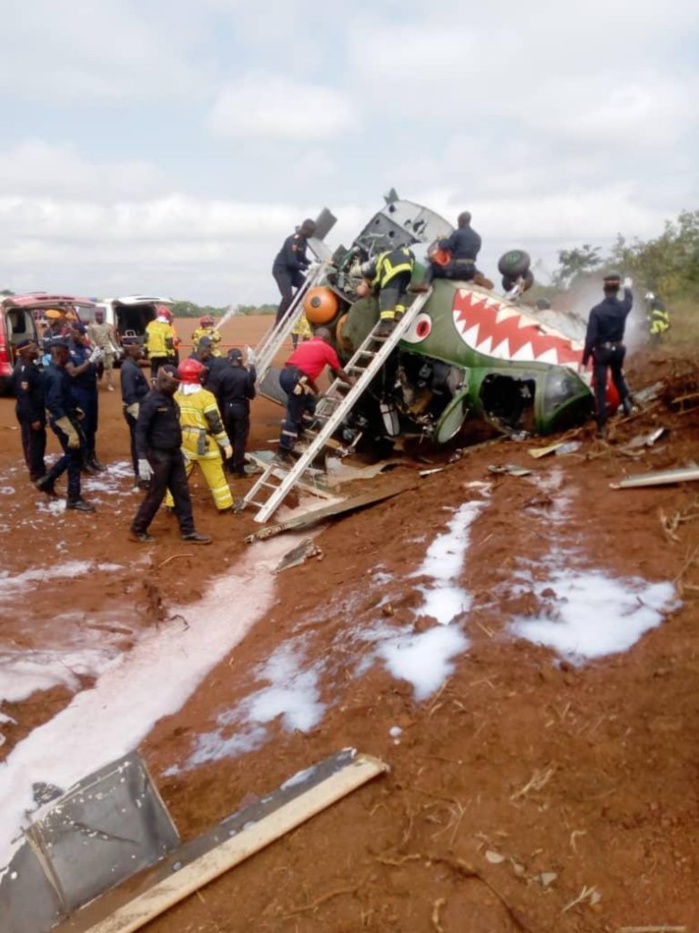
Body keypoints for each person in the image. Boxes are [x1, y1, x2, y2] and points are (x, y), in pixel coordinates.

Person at [130, 365, 211, 544]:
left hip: (173, 452)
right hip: (158, 456)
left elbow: (172, 425)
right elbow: (141, 431)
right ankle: (138, 529)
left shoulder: (169, 399)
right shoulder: (151, 402)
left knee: (181, 492)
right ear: (164, 381)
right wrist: (142, 458)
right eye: (174, 385)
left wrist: (178, 446)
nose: (177, 388)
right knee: (156, 495)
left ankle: (188, 531)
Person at [163, 358, 234, 513]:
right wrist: (226, 443)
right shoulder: (206, 396)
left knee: (178, 474)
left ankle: (171, 503)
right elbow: (215, 422)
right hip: (203, 441)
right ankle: (225, 505)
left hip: (183, 441)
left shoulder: (176, 395)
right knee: (215, 474)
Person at [35, 338, 95, 511]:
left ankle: (48, 480)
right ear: (60, 353)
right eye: (66, 352)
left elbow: (59, 398)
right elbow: (53, 403)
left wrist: (73, 409)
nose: (69, 355)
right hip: (62, 421)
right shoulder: (55, 375)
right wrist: (70, 430)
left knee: (73, 453)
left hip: (65, 416)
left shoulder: (53, 371)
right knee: (75, 456)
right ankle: (73, 497)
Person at [276, 327, 352, 462]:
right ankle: (283, 451)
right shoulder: (327, 349)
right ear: (328, 339)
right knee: (293, 415)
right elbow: (339, 372)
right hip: (297, 380)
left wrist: (317, 392)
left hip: (287, 376)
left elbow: (306, 376)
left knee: (310, 403)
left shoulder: (305, 344)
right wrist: (352, 382)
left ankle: (300, 427)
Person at [581, 272, 634, 439]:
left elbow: (590, 339)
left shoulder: (596, 311)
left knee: (600, 387)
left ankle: (602, 426)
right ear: (617, 290)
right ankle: (627, 404)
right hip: (619, 349)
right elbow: (629, 300)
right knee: (617, 375)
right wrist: (628, 287)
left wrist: (585, 360)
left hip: (602, 352)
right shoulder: (623, 307)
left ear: (604, 291)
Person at [213, 347, 257, 477]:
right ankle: (239, 469)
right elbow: (251, 394)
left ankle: (228, 464)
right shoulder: (245, 375)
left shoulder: (222, 374)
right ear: (240, 360)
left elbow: (217, 394)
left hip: (226, 408)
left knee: (229, 437)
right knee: (240, 439)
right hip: (240, 408)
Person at [67, 322, 105, 472]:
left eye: (84, 334)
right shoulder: (68, 350)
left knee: (92, 426)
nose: (82, 337)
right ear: (73, 332)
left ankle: (91, 456)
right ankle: (83, 461)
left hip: (91, 392)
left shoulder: (87, 348)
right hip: (78, 393)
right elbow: (73, 372)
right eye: (80, 334)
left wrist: (99, 360)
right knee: (83, 427)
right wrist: (89, 361)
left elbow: (98, 373)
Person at [359, 245, 415, 336]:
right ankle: (398, 315)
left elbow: (377, 282)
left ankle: (385, 325)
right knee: (401, 292)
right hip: (407, 269)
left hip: (393, 270)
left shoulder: (372, 269)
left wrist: (374, 290)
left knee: (387, 294)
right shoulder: (387, 254)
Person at [12, 339, 47, 484]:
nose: (36, 350)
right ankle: (35, 473)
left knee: (39, 441)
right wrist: (33, 419)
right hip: (29, 412)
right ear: (24, 352)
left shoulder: (31, 365)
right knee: (32, 443)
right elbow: (23, 397)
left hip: (36, 409)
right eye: (33, 348)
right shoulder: (24, 370)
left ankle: (40, 468)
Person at [272, 218, 316, 326]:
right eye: (312, 232)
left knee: (306, 285)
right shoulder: (292, 240)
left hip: (292, 271)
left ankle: (291, 309)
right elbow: (291, 262)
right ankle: (279, 323)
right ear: (306, 230)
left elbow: (301, 258)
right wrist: (306, 267)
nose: (312, 234)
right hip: (282, 270)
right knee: (287, 297)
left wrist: (312, 263)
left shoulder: (303, 241)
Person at [120, 344, 151, 489]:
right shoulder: (129, 369)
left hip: (139, 409)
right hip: (135, 411)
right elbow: (129, 395)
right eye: (138, 349)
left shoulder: (132, 366)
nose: (141, 350)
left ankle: (143, 474)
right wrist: (140, 416)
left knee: (140, 441)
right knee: (139, 443)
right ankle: (141, 476)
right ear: (130, 352)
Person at [87, 308, 119, 391]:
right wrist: (95, 346)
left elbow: (111, 338)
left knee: (109, 367)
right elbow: (90, 339)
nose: (100, 317)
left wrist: (117, 348)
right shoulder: (92, 326)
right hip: (97, 349)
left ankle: (110, 384)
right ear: (95, 316)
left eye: (101, 315)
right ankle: (97, 379)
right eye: (98, 315)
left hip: (107, 349)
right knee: (97, 367)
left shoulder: (107, 326)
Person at [144, 305, 176, 379]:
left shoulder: (151, 324)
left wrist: (146, 350)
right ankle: (164, 383)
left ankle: (154, 382)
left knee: (154, 370)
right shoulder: (167, 327)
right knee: (165, 370)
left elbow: (145, 338)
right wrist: (171, 353)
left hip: (152, 353)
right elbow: (169, 342)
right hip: (163, 353)